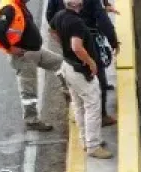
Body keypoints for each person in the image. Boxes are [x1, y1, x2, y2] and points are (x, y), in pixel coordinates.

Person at [50, 0, 111, 158]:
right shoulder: (76, 22)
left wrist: (65, 47)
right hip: (79, 71)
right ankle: (93, 146)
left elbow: (53, 32)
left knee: (78, 105)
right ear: (78, 5)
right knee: (92, 105)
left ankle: (85, 140)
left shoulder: (60, 15)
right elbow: (77, 46)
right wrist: (90, 62)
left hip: (67, 66)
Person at [45, 0, 118, 125]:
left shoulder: (60, 13)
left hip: (67, 39)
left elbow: (50, 16)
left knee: (75, 70)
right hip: (88, 38)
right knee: (98, 71)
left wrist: (62, 36)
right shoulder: (86, 9)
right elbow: (103, 20)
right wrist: (113, 41)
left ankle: (81, 112)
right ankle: (101, 115)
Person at [0, 0, 61, 131]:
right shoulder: (9, 9)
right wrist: (11, 48)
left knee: (59, 63)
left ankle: (67, 90)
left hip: (35, 51)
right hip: (24, 56)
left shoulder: (19, 5)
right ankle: (32, 120)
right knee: (29, 91)